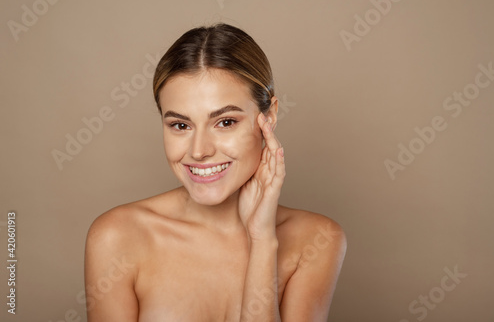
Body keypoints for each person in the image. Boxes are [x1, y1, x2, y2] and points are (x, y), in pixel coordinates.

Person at [84, 23, 347, 322]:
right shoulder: (116, 237)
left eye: (225, 122)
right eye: (180, 125)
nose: (199, 151)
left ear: (268, 117)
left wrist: (262, 241)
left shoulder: (317, 239)